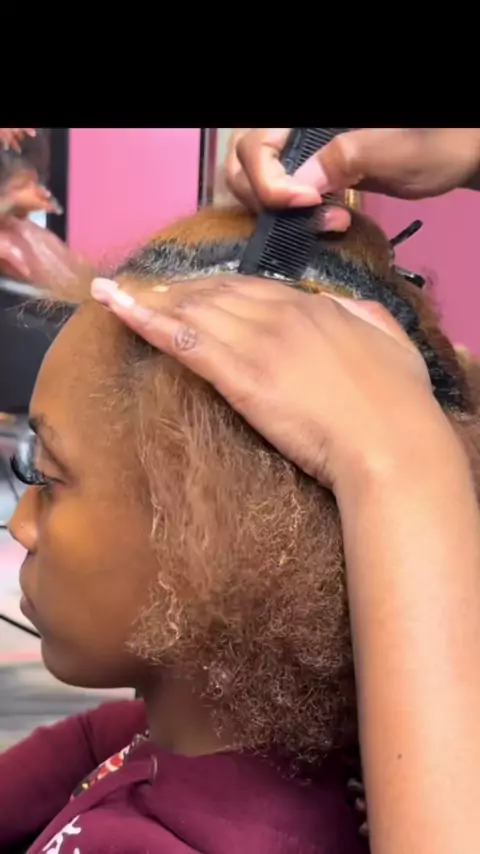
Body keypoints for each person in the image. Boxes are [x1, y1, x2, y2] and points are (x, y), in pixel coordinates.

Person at [2, 197, 480, 854]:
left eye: (49, 478)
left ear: (210, 547)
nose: (20, 526)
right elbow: (97, 740)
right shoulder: (278, 762)